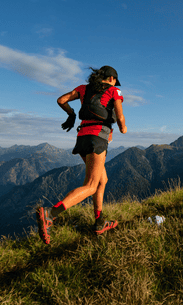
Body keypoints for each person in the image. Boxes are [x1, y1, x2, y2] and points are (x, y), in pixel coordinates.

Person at [35, 66, 127, 244]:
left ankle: (99, 222)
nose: (115, 83)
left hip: (82, 137)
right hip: (97, 138)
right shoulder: (114, 91)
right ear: (111, 78)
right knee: (91, 185)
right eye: (115, 80)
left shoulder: (83, 88)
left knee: (102, 180)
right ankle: (50, 214)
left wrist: (71, 114)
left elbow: (61, 100)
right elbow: (120, 117)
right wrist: (122, 128)